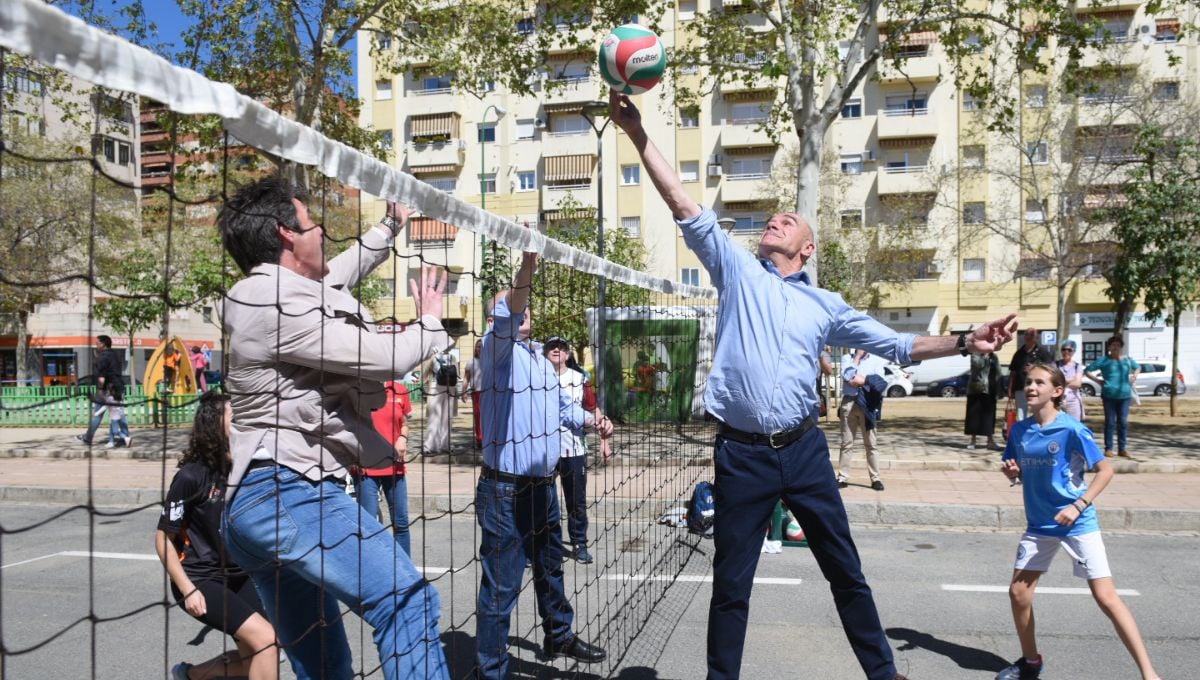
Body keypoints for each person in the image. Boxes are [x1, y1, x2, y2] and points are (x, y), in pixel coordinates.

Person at [610, 89, 1017, 680]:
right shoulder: (737, 271)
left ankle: (884, 674)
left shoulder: (827, 306)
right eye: (772, 218)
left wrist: (966, 338)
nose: (774, 219)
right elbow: (682, 202)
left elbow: (899, 345)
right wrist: (637, 134)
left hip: (803, 452)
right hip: (741, 455)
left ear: (806, 249)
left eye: (787, 220)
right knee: (731, 588)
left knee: (844, 572)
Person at [216, 177, 451, 680]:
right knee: (409, 602)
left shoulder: (270, 293)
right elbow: (385, 358)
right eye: (312, 223)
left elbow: (335, 274)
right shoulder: (275, 304)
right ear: (286, 233)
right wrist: (431, 324)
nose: (322, 232)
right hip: (286, 492)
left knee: (325, 665)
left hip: (257, 503)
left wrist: (389, 226)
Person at [475, 249, 614, 679]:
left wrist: (595, 421)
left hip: (541, 486)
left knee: (551, 566)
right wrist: (528, 268)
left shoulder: (539, 357)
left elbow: (562, 409)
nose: (523, 310)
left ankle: (558, 634)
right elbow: (508, 313)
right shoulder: (496, 349)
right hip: (504, 488)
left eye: (524, 307)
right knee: (501, 586)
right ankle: (491, 669)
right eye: (514, 306)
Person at [997, 363, 1160, 680]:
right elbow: (1018, 468)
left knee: (1106, 598)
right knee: (1019, 594)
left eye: (1039, 383)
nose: (1031, 387)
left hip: (1077, 522)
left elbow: (1105, 470)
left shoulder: (1072, 429)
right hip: (1040, 525)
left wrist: (1078, 505)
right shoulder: (1019, 430)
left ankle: (1149, 674)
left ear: (1057, 392)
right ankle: (1030, 662)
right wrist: (1014, 474)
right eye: (1028, 382)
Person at [156, 391, 278, 680]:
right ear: (215, 424)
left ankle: (189, 674)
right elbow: (163, 540)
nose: (243, 422)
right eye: (235, 417)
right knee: (267, 641)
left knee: (258, 656)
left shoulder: (246, 468)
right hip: (201, 578)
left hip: (240, 574)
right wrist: (188, 589)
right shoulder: (191, 476)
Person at [543, 336, 611, 564]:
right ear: (545, 352)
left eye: (561, 347)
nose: (556, 350)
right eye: (551, 347)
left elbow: (593, 409)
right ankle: (544, 545)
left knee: (576, 501)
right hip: (544, 451)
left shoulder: (579, 379)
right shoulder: (538, 377)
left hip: (573, 449)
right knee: (542, 500)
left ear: (568, 353)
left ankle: (579, 543)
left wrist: (604, 441)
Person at [355, 380, 414, 555]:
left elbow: (404, 422)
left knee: (401, 522)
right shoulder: (358, 387)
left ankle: (404, 571)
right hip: (365, 467)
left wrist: (403, 437)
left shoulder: (399, 390)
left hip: (394, 465)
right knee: (368, 524)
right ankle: (371, 568)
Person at [836, 349, 888, 491]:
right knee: (847, 443)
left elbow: (879, 383)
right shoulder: (847, 358)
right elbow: (848, 376)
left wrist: (863, 380)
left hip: (868, 404)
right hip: (849, 402)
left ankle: (875, 478)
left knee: (871, 444)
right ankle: (842, 477)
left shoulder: (876, 359)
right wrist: (857, 358)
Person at [1084, 336, 1140, 458]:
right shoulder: (1104, 360)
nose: (1115, 347)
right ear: (1109, 347)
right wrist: (1098, 381)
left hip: (1124, 395)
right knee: (1110, 422)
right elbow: (1087, 370)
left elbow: (1138, 367)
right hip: (1109, 396)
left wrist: (1135, 375)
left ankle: (1122, 449)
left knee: (1123, 422)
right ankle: (1108, 448)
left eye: (1118, 345)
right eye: (1113, 345)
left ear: (1121, 347)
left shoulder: (1126, 360)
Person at [76, 334, 123, 445]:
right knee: (116, 415)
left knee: (97, 414)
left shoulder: (102, 357)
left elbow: (101, 377)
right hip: (117, 388)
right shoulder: (116, 355)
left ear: (103, 344)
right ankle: (118, 439)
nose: (96, 345)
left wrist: (100, 390)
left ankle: (88, 438)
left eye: (97, 343)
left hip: (107, 390)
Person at [1007, 328, 1052, 420]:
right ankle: (1022, 433)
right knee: (1021, 413)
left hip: (1038, 388)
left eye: (1032, 335)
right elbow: (1013, 372)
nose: (1029, 337)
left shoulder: (1042, 352)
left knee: (1038, 411)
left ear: (1037, 338)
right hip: (1020, 387)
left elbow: (1050, 369)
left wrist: (1035, 368)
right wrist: (1010, 389)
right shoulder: (1019, 353)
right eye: (1027, 334)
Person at [423, 348, 458, 455]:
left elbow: (424, 374)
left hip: (435, 387)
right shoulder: (452, 357)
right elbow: (456, 374)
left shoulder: (432, 357)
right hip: (450, 388)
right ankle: (445, 446)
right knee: (447, 419)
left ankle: (429, 446)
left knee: (434, 418)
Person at [965, 351, 1002, 450]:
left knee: (989, 417)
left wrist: (999, 389)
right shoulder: (975, 354)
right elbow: (977, 366)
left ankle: (990, 441)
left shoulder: (994, 356)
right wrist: (984, 357)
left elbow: (998, 372)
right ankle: (973, 440)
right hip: (977, 389)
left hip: (990, 389)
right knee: (974, 416)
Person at [1055, 340, 1084, 422]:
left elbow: (1077, 383)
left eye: (1069, 350)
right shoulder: (1055, 365)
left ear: (1074, 351)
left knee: (1074, 425)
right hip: (1058, 400)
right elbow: (1054, 381)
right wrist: (1070, 380)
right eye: (1063, 349)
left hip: (1073, 401)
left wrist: (1062, 381)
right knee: (1059, 424)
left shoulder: (1077, 366)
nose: (1066, 352)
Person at [463, 339, 484, 448]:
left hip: (489, 392)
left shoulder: (489, 361)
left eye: (481, 346)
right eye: (478, 346)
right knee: (478, 416)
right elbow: (466, 378)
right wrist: (464, 391)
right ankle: (479, 439)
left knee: (488, 417)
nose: (479, 349)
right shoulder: (471, 362)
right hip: (476, 393)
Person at [103, 382, 131, 449]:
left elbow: (105, 406)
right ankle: (112, 441)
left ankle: (126, 438)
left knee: (115, 431)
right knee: (116, 427)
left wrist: (96, 413)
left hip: (114, 417)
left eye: (108, 389)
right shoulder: (118, 396)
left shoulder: (109, 398)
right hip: (120, 414)